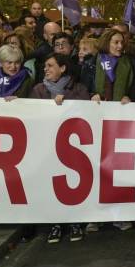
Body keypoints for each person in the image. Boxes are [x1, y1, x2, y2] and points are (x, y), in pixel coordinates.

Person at [31, 53, 90, 243]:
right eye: (45, 66)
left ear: (63, 68)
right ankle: (55, 224)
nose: (45, 69)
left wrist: (66, 104)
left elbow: (87, 114)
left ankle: (74, 222)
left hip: (73, 147)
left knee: (72, 185)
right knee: (51, 185)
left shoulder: (79, 89)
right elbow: (32, 114)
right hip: (48, 146)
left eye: (50, 66)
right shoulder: (39, 89)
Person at [87, 28, 134, 104]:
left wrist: (128, 96)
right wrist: (92, 95)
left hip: (119, 110)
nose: (120, 46)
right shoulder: (91, 63)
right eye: (116, 42)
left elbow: (134, 86)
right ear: (106, 43)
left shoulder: (128, 63)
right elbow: (83, 88)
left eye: (122, 42)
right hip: (97, 108)